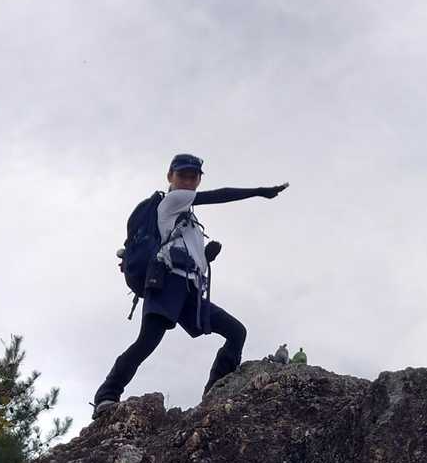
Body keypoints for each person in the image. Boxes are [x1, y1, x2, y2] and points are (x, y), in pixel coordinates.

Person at [93, 153, 288, 414]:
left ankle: (216, 393)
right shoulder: (172, 201)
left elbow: (187, 257)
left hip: (189, 291)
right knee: (147, 342)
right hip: (166, 285)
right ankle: (107, 395)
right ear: (170, 177)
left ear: (198, 179)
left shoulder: (190, 221)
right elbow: (219, 195)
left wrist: (207, 256)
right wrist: (259, 192)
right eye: (181, 175)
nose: (187, 181)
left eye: (192, 177)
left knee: (236, 332)